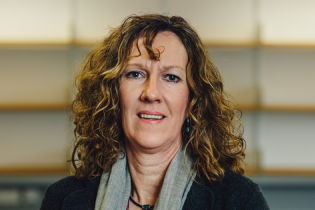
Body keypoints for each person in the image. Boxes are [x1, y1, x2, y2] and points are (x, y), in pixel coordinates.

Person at [40, 14, 269, 210]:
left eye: (171, 77)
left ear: (192, 102)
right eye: (135, 74)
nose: (151, 93)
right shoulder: (62, 199)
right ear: (112, 94)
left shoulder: (238, 200)